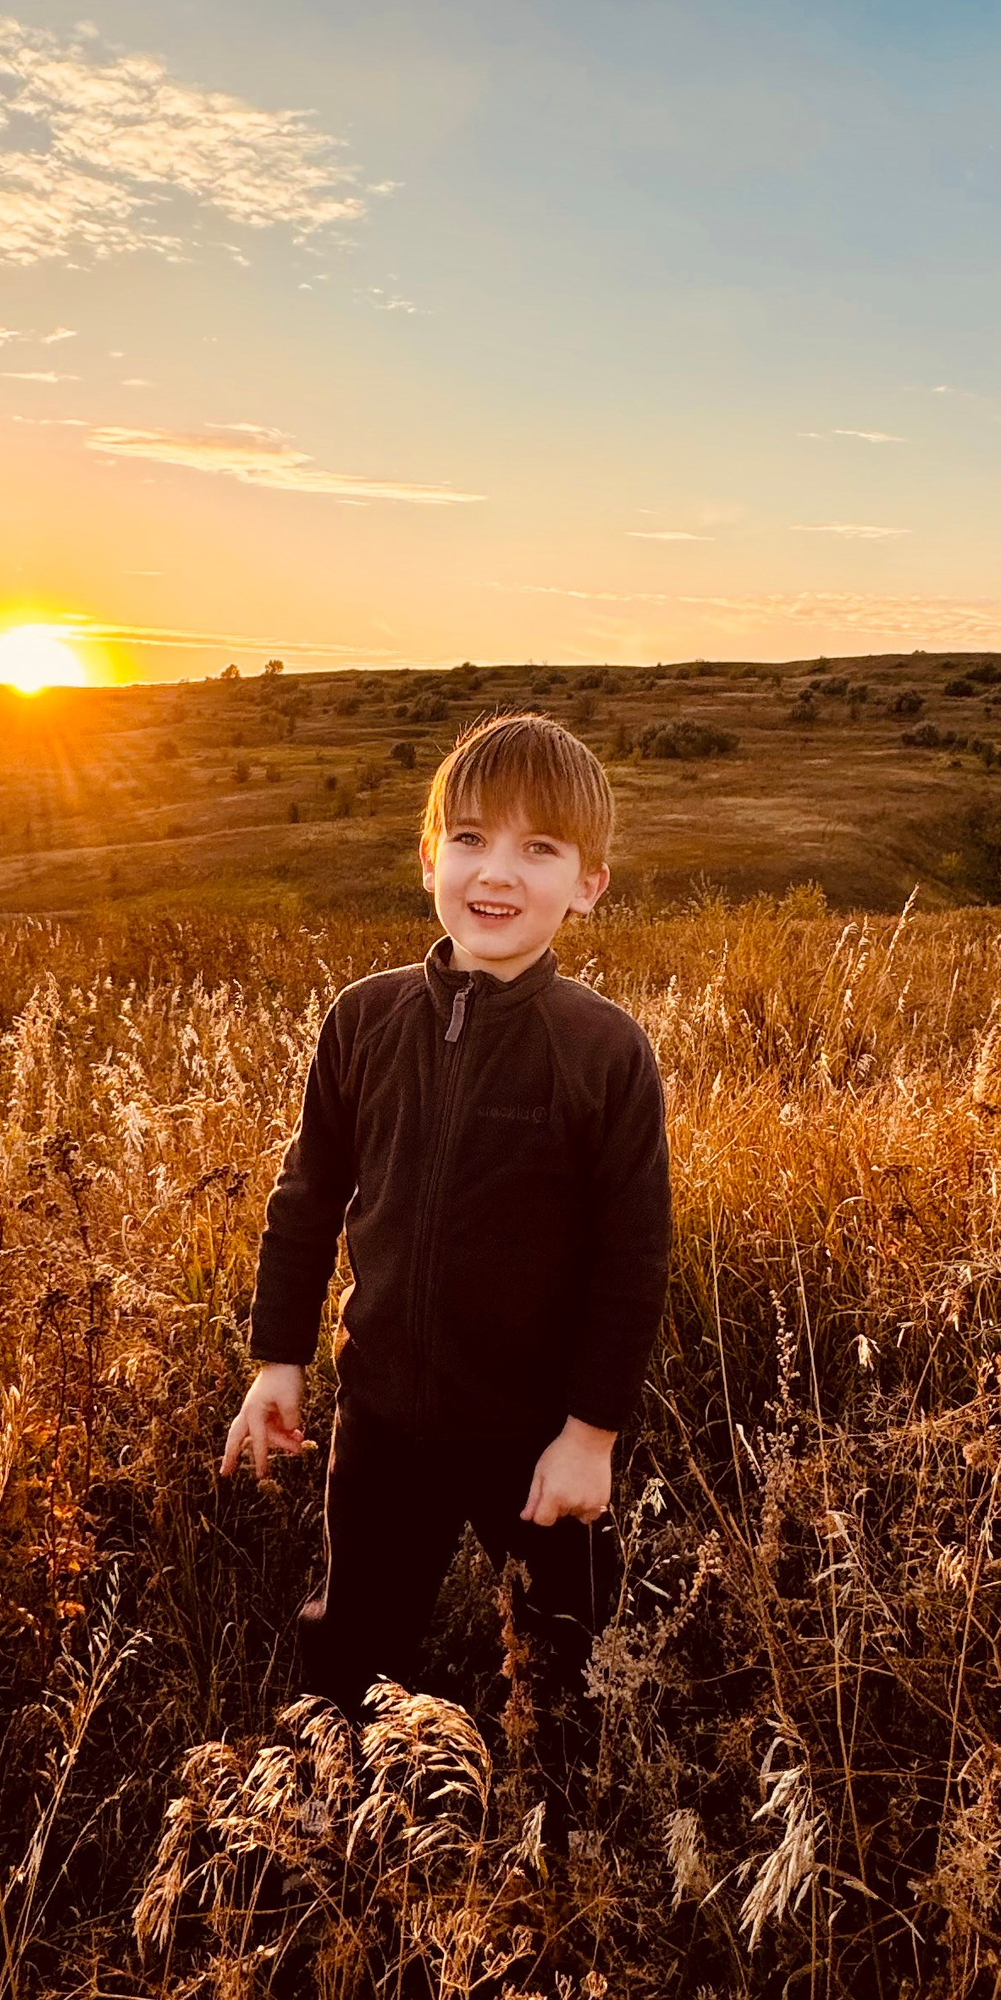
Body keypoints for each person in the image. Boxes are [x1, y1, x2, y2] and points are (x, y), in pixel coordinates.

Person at [220, 711, 672, 1785]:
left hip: (534, 1435)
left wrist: (590, 1432)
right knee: (351, 1643)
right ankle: (335, 1808)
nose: (495, 872)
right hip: (383, 1419)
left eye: (538, 848)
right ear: (428, 857)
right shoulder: (364, 1019)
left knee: (567, 1646)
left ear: (589, 883)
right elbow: (308, 1193)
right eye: (468, 838)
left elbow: (631, 1252)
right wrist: (276, 1358)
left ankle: (563, 1822)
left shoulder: (603, 1049)